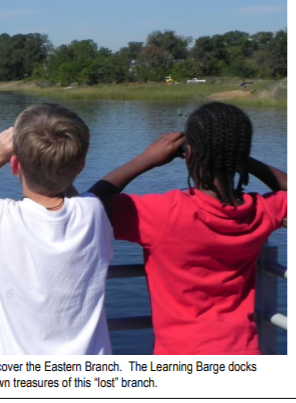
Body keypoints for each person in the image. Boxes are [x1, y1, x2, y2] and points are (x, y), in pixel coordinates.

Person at [88, 102, 287, 355]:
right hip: (243, 352)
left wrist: (146, 159)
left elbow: (88, 205)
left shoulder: (163, 213)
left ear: (189, 154)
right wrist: (237, 156)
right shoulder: (262, 211)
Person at [0, 103, 113, 355]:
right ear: (80, 167)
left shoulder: (0, 217)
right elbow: (72, 196)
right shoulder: (93, 211)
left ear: (14, 165)